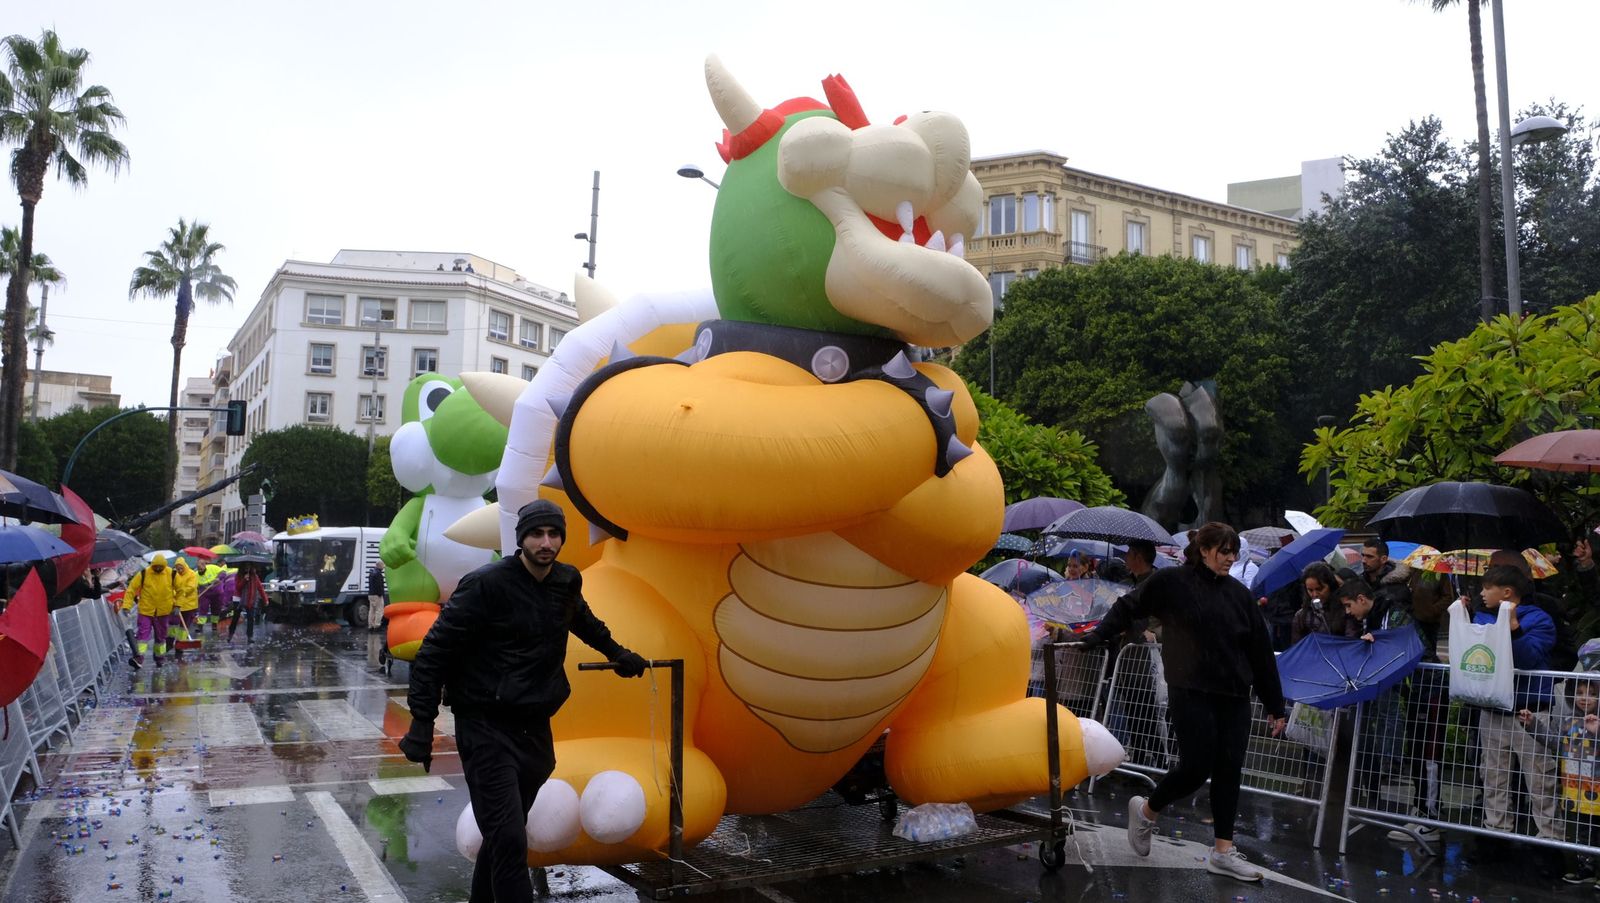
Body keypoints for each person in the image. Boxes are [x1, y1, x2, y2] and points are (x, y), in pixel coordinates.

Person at [401, 500, 648, 903]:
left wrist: (617, 653)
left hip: (533, 728)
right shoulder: (485, 585)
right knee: (510, 840)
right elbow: (434, 652)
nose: (546, 543)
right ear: (521, 539)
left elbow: (582, 620)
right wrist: (422, 722)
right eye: (536, 534)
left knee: (504, 837)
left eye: (554, 534)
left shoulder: (565, 580)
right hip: (484, 725)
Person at [1072, 521, 1287, 883]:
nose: (1230, 559)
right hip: (1190, 688)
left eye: (1234, 553)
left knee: (1229, 769)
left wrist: (1274, 705)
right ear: (1203, 550)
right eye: (1224, 551)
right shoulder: (1172, 582)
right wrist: (1096, 637)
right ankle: (1146, 811)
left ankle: (1223, 851)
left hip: (1234, 694)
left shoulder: (1239, 594)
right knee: (1195, 767)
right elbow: (1128, 606)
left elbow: (1260, 652)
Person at [1475, 565, 1561, 842]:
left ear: (1507, 592)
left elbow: (1529, 659)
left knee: (1540, 779)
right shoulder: (1483, 618)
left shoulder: (1539, 619)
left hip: (1529, 712)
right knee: (1493, 776)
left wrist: (1513, 628)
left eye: (1487, 588)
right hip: (1493, 708)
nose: (1482, 593)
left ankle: (1549, 839)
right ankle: (1496, 832)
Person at [1519, 672, 1600, 884]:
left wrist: (1597, 732)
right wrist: (1532, 724)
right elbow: (1554, 742)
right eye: (1579, 693)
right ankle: (1586, 868)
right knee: (1583, 830)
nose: (1584, 698)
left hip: (1598, 790)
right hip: (1578, 790)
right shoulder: (1568, 722)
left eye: (1592, 694)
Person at [1338, 578, 1411, 808]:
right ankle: (1376, 775)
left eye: (1349, 605)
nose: (1348, 612)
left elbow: (1400, 640)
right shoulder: (1372, 615)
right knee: (1372, 726)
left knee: (1387, 718)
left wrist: (1377, 640)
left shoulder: (1391, 611)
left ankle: (1390, 762)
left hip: (1392, 679)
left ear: (1361, 599)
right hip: (1376, 678)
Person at [122, 554, 177, 668]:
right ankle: (139, 657)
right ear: (152, 565)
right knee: (142, 635)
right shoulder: (144, 573)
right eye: (156, 566)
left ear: (164, 566)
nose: (158, 568)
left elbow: (180, 590)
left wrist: (178, 604)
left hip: (163, 612)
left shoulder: (171, 574)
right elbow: (131, 589)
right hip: (146, 611)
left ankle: (159, 658)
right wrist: (126, 605)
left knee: (161, 637)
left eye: (160, 567)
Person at [1290, 562, 1345, 645]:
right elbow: (1297, 646)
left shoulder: (1345, 610)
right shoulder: (1301, 616)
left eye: (1319, 589)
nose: (1315, 594)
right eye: (1310, 590)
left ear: (1330, 586)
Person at [169, 558, 200, 660]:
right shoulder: (174, 575)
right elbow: (171, 587)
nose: (179, 570)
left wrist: (180, 592)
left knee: (184, 625)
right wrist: (175, 594)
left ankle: (180, 644)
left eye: (181, 568)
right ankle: (170, 640)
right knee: (173, 623)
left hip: (189, 605)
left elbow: (191, 587)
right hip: (176, 604)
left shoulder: (192, 574)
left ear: (184, 566)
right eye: (177, 568)